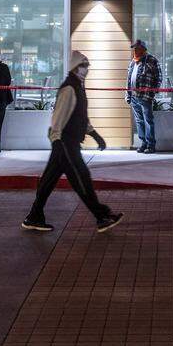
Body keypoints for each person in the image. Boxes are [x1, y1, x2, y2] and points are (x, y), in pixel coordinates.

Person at [22, 50, 123, 233]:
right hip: (65, 143)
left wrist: (93, 134)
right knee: (81, 178)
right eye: (84, 66)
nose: (86, 69)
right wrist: (57, 141)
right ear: (75, 67)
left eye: (87, 66)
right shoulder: (69, 88)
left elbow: (80, 116)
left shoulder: (78, 86)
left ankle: (34, 217)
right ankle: (101, 216)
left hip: (66, 143)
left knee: (47, 182)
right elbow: (58, 118)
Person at [126, 39, 161, 153]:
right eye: (134, 48)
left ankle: (151, 145)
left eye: (138, 48)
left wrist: (154, 91)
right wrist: (128, 95)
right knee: (139, 121)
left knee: (148, 120)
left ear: (143, 49)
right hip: (134, 97)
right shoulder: (133, 62)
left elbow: (158, 76)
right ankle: (143, 143)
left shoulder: (151, 60)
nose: (135, 50)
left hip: (145, 96)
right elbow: (129, 79)